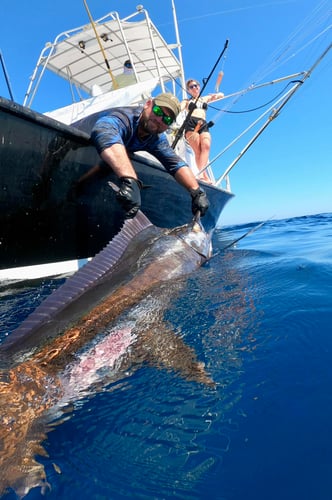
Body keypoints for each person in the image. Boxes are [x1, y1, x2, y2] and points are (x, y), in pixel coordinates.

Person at [78, 92, 209, 219]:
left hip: (94, 159)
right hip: (68, 146)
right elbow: (104, 130)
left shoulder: (156, 138)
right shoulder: (124, 117)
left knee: (123, 156)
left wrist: (197, 192)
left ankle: (78, 189)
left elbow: (175, 163)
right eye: (158, 111)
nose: (159, 119)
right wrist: (130, 179)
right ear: (148, 104)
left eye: (167, 119)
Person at [181, 79, 224, 182]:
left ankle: (202, 173)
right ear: (188, 90)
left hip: (203, 123)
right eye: (191, 87)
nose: (194, 88)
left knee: (206, 146)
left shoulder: (204, 98)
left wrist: (215, 95)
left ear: (199, 87)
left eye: (196, 85)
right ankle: (202, 175)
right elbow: (180, 107)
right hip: (191, 123)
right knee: (198, 151)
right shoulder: (186, 101)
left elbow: (222, 94)